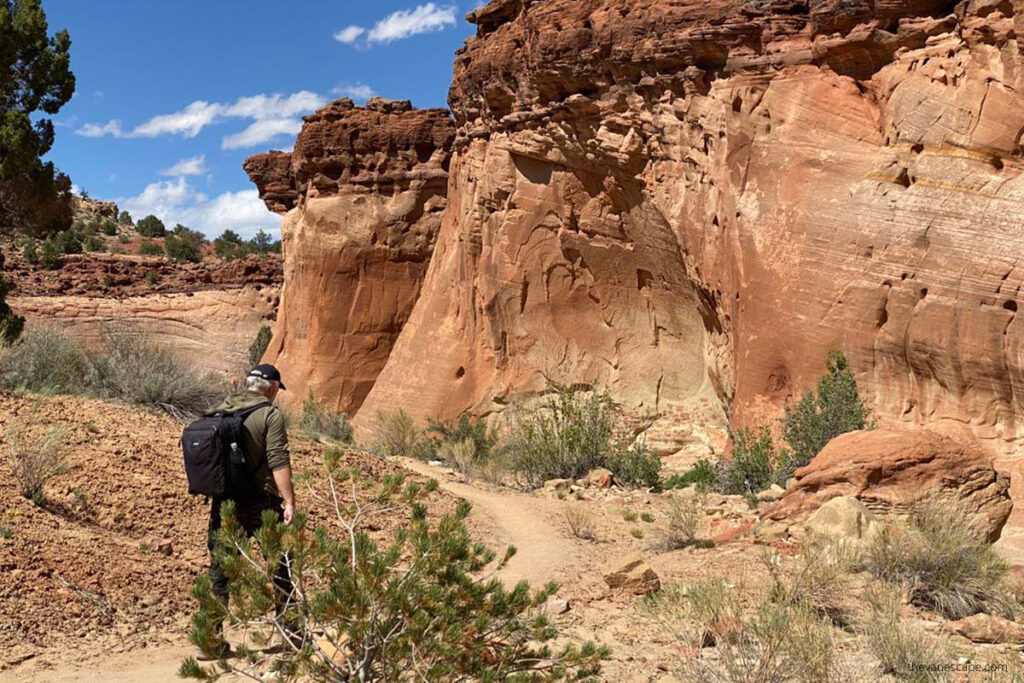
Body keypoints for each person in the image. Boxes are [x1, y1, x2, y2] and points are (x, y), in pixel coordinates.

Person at [200, 363, 296, 659]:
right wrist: (289, 500)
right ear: (270, 387)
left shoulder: (222, 408)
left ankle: (209, 640)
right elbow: (278, 459)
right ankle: (293, 634)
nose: (277, 394)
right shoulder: (269, 414)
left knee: (220, 568)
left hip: (224, 501)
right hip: (261, 501)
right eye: (278, 389)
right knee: (281, 566)